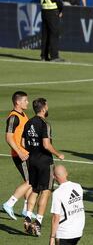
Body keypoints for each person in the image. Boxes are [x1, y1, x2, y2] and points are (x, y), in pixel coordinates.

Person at [22, 98, 65, 236]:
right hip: (44, 161)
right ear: (43, 108)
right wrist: (58, 154)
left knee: (34, 189)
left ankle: (28, 217)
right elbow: (46, 145)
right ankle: (38, 222)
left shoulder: (28, 122)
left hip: (32, 160)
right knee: (46, 191)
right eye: (47, 105)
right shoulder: (44, 124)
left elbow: (23, 142)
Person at [3, 91, 33, 220]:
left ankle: (26, 210)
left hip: (26, 153)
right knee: (31, 181)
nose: (27, 102)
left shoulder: (23, 115)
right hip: (19, 155)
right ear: (17, 102)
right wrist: (20, 152)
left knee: (31, 181)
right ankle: (9, 204)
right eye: (25, 100)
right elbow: (8, 138)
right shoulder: (13, 117)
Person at [49, 165, 85, 245]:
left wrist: (52, 237)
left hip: (65, 233)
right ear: (66, 173)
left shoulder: (57, 193)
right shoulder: (78, 187)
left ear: (54, 177)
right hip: (78, 231)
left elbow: (56, 217)